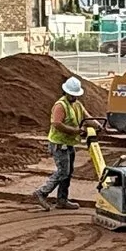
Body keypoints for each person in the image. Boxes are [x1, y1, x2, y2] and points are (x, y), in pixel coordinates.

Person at [34, 76, 92, 209]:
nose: (74, 97)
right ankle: (41, 192)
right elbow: (57, 124)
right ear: (66, 92)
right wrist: (75, 131)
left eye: (75, 95)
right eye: (72, 95)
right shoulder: (60, 106)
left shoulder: (77, 104)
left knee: (68, 172)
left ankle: (62, 200)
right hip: (59, 144)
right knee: (63, 172)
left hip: (69, 143)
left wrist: (99, 125)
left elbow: (87, 117)